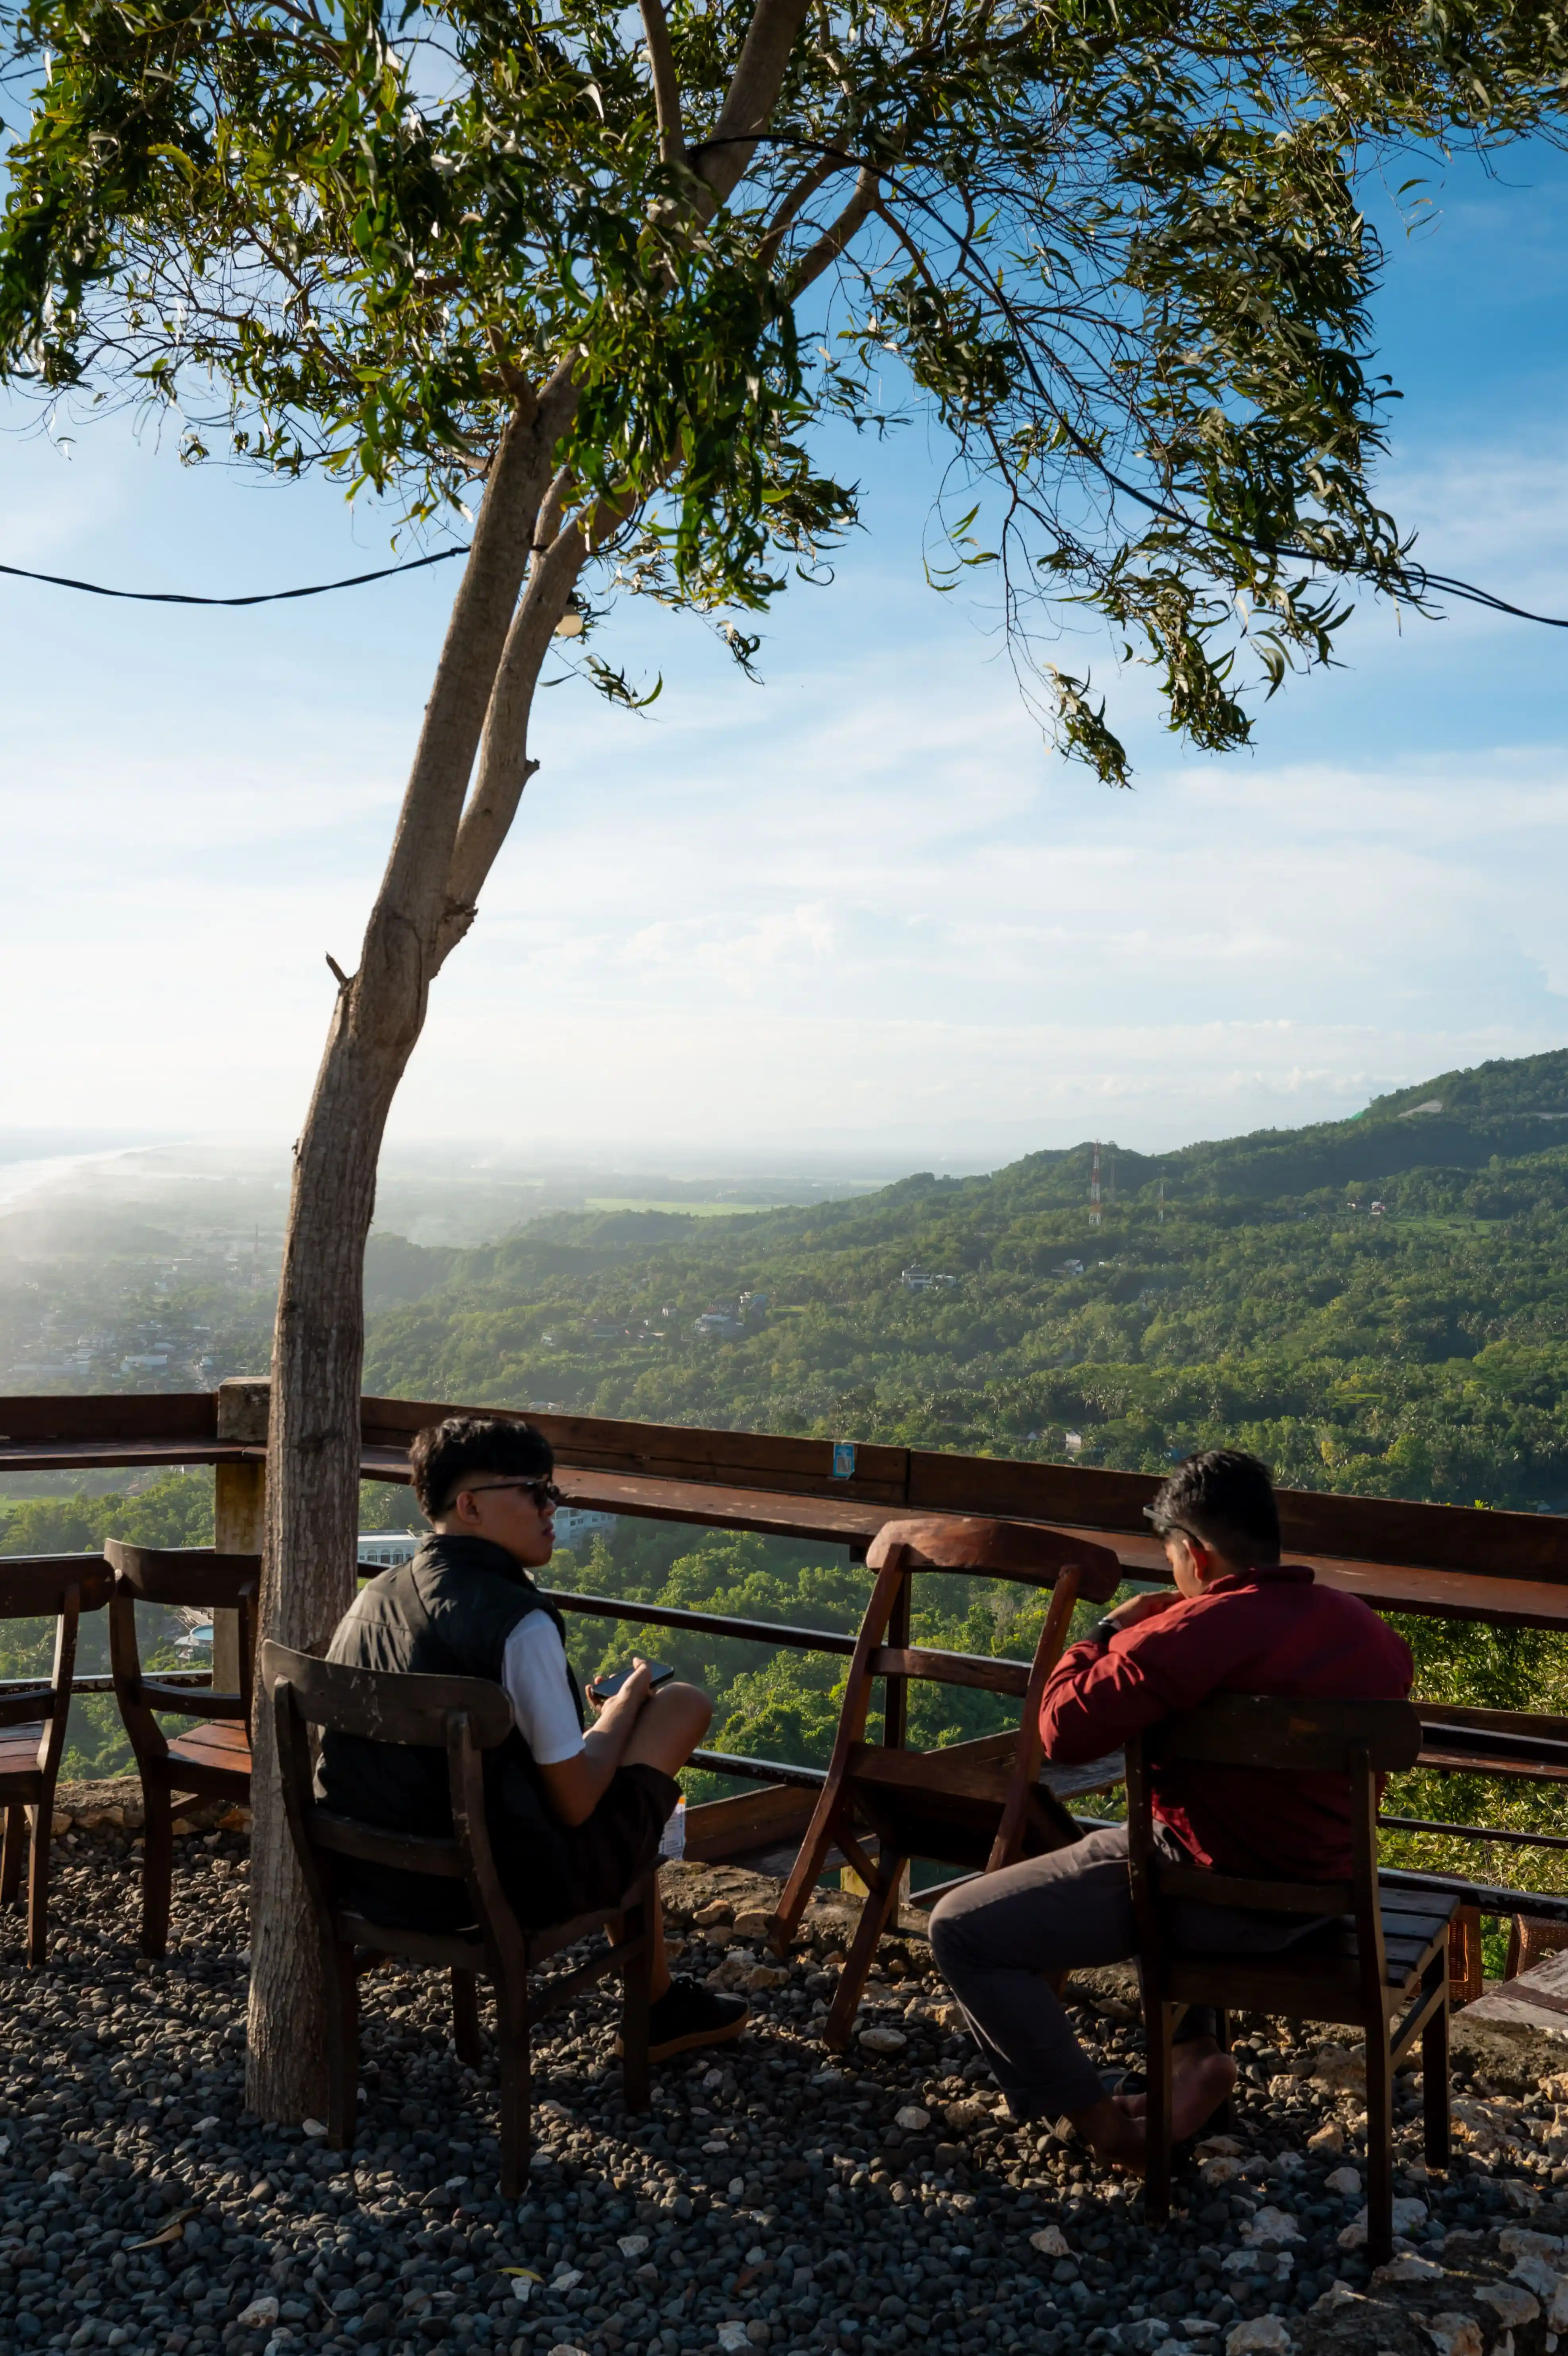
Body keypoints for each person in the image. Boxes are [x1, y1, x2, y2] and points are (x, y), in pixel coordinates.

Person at [927, 1447, 1413, 2168]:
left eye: (1173, 1561)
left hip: (1205, 1904)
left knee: (962, 1929)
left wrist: (1106, 1631)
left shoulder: (1185, 1633)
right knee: (1183, 1830)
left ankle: (1109, 2131)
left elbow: (1060, 1731)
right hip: (1328, 1898)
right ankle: (1193, 2055)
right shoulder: (1367, 1632)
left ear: (1194, 1553)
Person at [315, 1412, 749, 2063]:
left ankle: (658, 1999)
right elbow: (573, 1803)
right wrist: (620, 1713)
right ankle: (655, 2010)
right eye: (533, 1492)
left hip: (369, 1876)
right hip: (486, 1889)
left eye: (553, 1491)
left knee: (612, 1769)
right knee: (680, 1709)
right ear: (469, 1506)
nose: (551, 1508)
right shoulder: (519, 1623)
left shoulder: (373, 1597)